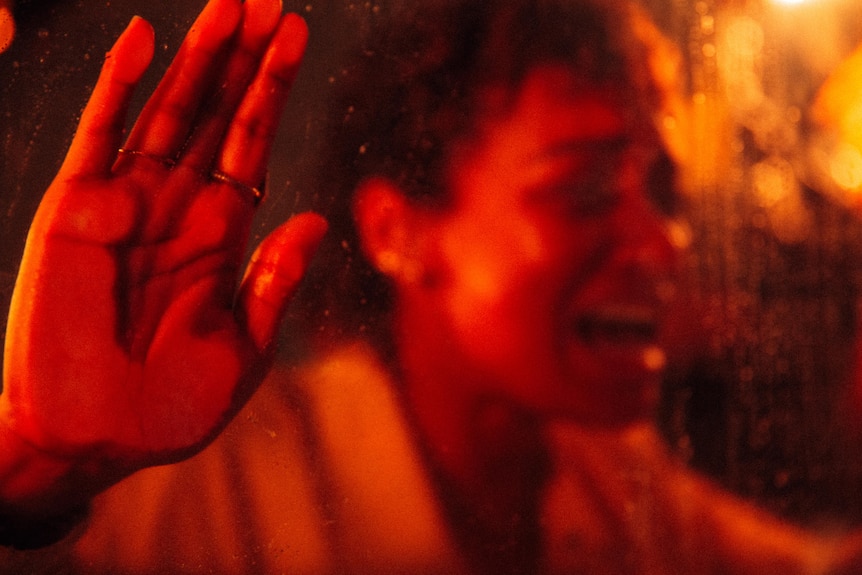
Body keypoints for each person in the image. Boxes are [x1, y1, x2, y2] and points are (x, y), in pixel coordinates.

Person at [1, 0, 862, 573]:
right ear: (396, 232)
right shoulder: (208, 490)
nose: (660, 239)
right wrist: (38, 470)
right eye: (584, 188)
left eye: (665, 193)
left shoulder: (609, 479)